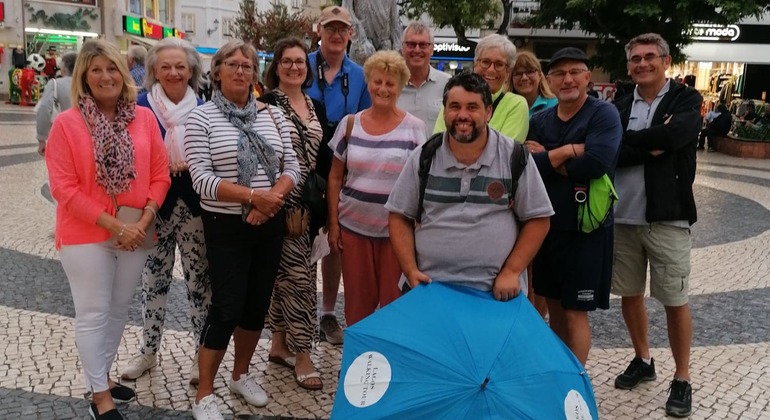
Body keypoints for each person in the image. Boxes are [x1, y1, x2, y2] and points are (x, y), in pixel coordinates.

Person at [45, 39, 170, 419]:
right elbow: (63, 188)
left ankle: (102, 375)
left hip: (136, 229)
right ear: (83, 76)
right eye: (95, 69)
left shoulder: (144, 118)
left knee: (118, 310)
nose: (105, 76)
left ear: (124, 72)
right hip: (87, 235)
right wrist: (115, 225)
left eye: (112, 67)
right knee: (94, 312)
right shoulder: (67, 124)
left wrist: (143, 221)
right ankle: (100, 395)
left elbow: (160, 174)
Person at [184, 39, 300, 419]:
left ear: (254, 73)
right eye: (231, 64)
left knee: (256, 305)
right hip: (225, 224)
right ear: (216, 72)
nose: (240, 71)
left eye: (247, 65)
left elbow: (292, 169)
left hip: (269, 221)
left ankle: (240, 374)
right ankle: (204, 393)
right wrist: (253, 197)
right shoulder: (201, 118)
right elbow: (200, 178)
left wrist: (269, 202)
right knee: (226, 307)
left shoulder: (273, 115)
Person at [387, 71, 553, 300]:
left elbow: (538, 219)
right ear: (445, 112)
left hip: (495, 292)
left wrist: (512, 271)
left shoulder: (514, 157)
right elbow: (399, 216)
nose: (462, 115)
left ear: (488, 113)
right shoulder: (424, 156)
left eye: (472, 107)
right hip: (430, 289)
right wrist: (410, 271)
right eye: (454, 106)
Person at [611, 33, 702, 418]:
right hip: (623, 215)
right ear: (629, 65)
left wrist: (637, 143)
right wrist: (649, 144)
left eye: (650, 57)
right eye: (635, 58)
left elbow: (678, 135)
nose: (642, 63)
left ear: (666, 61)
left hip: (669, 215)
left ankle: (682, 378)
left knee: (674, 300)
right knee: (629, 295)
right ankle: (643, 359)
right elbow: (612, 146)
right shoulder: (616, 105)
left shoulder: (685, 99)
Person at [118, 37, 211, 385]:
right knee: (153, 281)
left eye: (180, 66)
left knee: (199, 283)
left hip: (195, 207)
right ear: (154, 70)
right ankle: (148, 350)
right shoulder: (138, 107)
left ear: (191, 71)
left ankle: (202, 354)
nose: (173, 72)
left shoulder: (205, 108)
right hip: (151, 209)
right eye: (166, 66)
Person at [526, 47, 622, 366]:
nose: (567, 79)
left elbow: (597, 163)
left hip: (586, 229)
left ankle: (576, 381)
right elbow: (529, 166)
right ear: (549, 81)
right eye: (559, 73)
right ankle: (557, 375)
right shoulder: (540, 119)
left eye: (574, 72)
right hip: (548, 227)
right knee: (554, 309)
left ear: (587, 77)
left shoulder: (603, 114)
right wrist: (568, 150)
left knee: (575, 312)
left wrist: (550, 157)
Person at [327, 50, 426, 326]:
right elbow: (335, 177)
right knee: (357, 308)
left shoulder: (415, 129)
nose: (383, 88)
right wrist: (333, 224)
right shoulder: (350, 125)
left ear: (400, 86)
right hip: (354, 230)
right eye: (377, 81)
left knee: (394, 307)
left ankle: (391, 366)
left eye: (390, 83)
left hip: (397, 234)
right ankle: (358, 364)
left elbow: (421, 183)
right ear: (368, 83)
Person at [260, 37, 331, 391]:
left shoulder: (316, 105)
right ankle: (302, 354)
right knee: (299, 282)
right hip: (281, 203)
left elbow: (322, 157)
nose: (293, 67)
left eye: (300, 61)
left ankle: (277, 343)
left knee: (289, 276)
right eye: (286, 61)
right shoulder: (266, 104)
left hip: (310, 205)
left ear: (308, 67)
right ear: (276, 66)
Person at [307, 5, 372, 345]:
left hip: (341, 165)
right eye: (329, 28)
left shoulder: (360, 75)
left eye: (341, 29)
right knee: (298, 241)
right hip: (302, 163)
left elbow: (364, 122)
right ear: (319, 30)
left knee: (334, 240)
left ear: (351, 34)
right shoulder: (299, 65)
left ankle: (328, 313)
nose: (335, 34)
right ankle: (296, 316)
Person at [434, 34, 529, 143]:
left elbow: (505, 153)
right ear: (475, 65)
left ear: (508, 72)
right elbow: (438, 144)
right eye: (485, 62)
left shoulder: (516, 104)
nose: (491, 70)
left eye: (499, 64)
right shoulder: (454, 98)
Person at [397, 21, 451, 136]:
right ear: (403, 48)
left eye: (423, 45)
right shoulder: (390, 85)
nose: (417, 50)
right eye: (411, 44)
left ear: (432, 49)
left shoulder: (449, 84)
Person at [36, 51, 77, 156]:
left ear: (63, 69)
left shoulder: (55, 84)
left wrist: (41, 139)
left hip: (61, 137)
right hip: (85, 139)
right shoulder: (88, 85)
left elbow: (44, 109)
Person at [510, 50, 557, 117]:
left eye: (530, 72)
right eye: (518, 73)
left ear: (540, 75)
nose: (524, 78)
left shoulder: (555, 105)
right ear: (511, 78)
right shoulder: (505, 107)